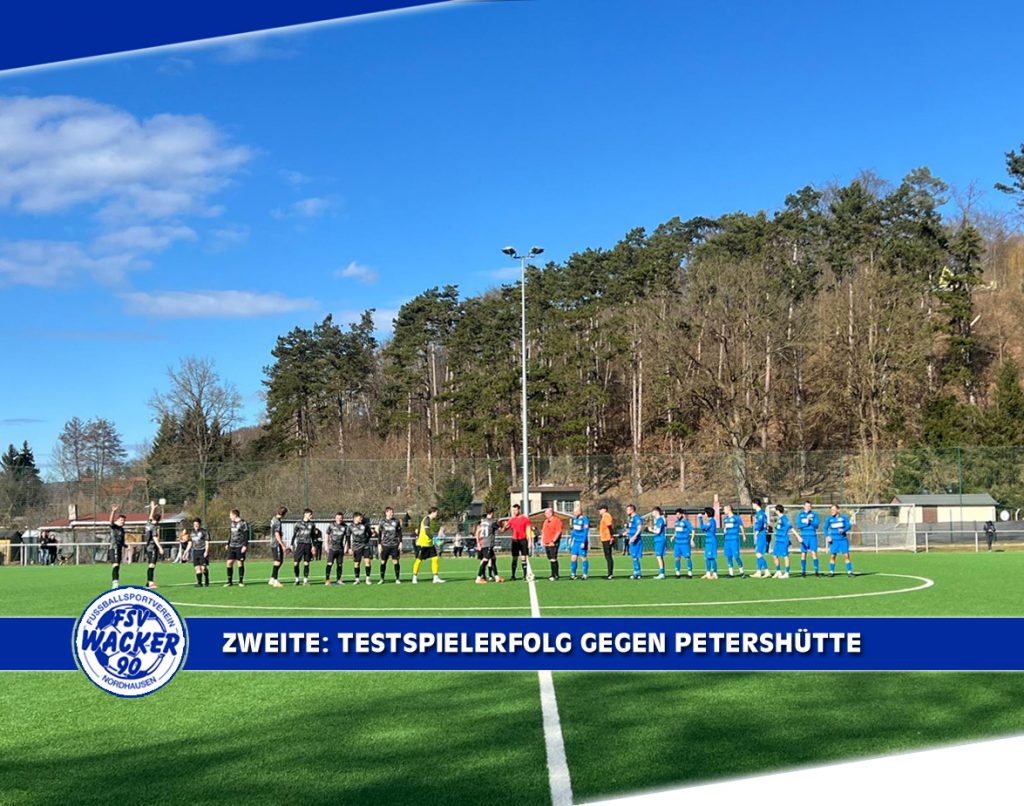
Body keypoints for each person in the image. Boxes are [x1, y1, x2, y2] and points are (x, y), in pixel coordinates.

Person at [412, 507, 446, 584]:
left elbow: (420, 529)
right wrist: (434, 539)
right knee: (419, 560)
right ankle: (414, 577)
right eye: (436, 512)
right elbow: (427, 531)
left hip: (429, 543)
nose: (437, 514)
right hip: (423, 544)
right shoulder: (426, 519)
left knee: (435, 558)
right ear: (433, 512)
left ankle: (435, 578)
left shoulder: (428, 520)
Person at [502, 503, 532, 581]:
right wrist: (504, 525)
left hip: (523, 540)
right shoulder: (511, 519)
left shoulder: (525, 519)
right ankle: (513, 575)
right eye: (513, 510)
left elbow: (528, 530)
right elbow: (503, 530)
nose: (514, 512)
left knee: (523, 557)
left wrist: (530, 541)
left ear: (519, 510)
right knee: (514, 558)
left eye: (516, 510)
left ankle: (525, 575)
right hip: (515, 540)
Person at [825, 504, 854, 577]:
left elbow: (848, 526)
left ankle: (849, 572)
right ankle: (831, 572)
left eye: (834, 510)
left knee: (846, 555)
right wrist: (827, 536)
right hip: (834, 541)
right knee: (833, 556)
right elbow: (825, 528)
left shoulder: (844, 517)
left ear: (838, 510)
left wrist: (844, 530)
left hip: (843, 540)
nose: (832, 511)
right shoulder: (829, 519)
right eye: (831, 510)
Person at [377, 507, 403, 584]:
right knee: (383, 562)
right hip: (385, 545)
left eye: (392, 512)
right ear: (386, 513)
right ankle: (382, 579)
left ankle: (397, 579)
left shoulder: (396, 521)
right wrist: (379, 544)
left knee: (396, 561)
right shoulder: (382, 522)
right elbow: (379, 534)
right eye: (390, 512)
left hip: (394, 545)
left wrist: (401, 542)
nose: (392, 513)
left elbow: (399, 533)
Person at [475, 508, 501, 584]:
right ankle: (478, 578)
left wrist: (478, 543)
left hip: (484, 542)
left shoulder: (483, 521)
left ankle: (496, 577)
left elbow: (478, 531)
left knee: (493, 559)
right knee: (485, 560)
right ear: (492, 513)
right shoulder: (492, 522)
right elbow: (501, 530)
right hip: (488, 543)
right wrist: (505, 525)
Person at [224, 509, 250, 587]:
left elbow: (246, 535)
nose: (230, 517)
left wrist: (245, 545)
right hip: (232, 546)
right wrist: (228, 543)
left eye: (230, 515)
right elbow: (231, 534)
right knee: (229, 562)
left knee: (240, 562)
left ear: (235, 515)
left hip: (240, 546)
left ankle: (241, 581)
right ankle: (229, 581)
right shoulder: (232, 523)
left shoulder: (243, 523)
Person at [292, 509, 316, 586]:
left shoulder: (312, 524)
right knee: (296, 563)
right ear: (305, 514)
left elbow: (313, 536)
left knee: (306, 563)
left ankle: (305, 580)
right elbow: (294, 534)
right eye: (310, 514)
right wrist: (292, 544)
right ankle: (297, 579)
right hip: (300, 544)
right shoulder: (298, 523)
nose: (311, 516)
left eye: (311, 515)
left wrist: (313, 546)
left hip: (308, 545)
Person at [797, 500, 821, 577]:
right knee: (803, 554)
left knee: (814, 553)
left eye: (809, 506)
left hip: (812, 536)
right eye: (807, 506)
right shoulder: (800, 514)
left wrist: (811, 522)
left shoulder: (814, 514)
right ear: (804, 506)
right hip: (804, 537)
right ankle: (803, 571)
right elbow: (799, 525)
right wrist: (806, 523)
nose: (808, 507)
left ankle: (816, 571)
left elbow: (816, 526)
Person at [325, 512, 349, 586]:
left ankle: (338, 580)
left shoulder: (345, 527)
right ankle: (327, 580)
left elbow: (347, 538)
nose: (339, 519)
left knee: (339, 564)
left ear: (342, 518)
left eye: (341, 518)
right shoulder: (331, 525)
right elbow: (327, 535)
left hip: (340, 549)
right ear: (335, 518)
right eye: (338, 518)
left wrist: (346, 547)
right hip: (332, 548)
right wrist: (326, 545)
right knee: (329, 563)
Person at [143, 501, 164, 589]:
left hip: (147, 547)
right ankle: (151, 582)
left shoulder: (148, 524)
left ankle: (148, 582)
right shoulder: (154, 527)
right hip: (153, 547)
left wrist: (152, 509)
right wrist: (160, 547)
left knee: (150, 564)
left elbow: (150, 517)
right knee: (152, 565)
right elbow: (155, 538)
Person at [721, 504, 745, 577]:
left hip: (734, 539)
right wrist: (724, 532)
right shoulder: (725, 519)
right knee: (729, 556)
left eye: (724, 509)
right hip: (727, 540)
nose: (723, 511)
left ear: (729, 509)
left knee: (736, 556)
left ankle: (742, 571)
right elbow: (725, 528)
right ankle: (731, 573)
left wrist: (744, 536)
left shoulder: (736, 518)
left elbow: (741, 527)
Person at [541, 508, 563, 581]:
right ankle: (553, 574)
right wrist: (543, 540)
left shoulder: (557, 520)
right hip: (547, 542)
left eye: (546, 513)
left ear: (551, 513)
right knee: (550, 558)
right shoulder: (545, 521)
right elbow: (543, 531)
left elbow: (558, 531)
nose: (545, 515)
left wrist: (553, 541)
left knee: (553, 558)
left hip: (553, 543)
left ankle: (555, 574)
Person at [187, 517, 210, 587]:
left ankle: (206, 578)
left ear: (200, 524)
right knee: (197, 568)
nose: (195, 526)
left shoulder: (204, 532)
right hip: (195, 551)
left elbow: (207, 542)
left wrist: (206, 551)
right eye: (194, 524)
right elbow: (190, 543)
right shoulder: (192, 533)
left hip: (202, 551)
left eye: (197, 524)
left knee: (203, 568)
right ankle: (199, 583)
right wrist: (185, 552)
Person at [771, 504, 793, 579]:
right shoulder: (779, 519)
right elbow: (777, 527)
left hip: (783, 540)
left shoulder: (784, 518)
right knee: (775, 555)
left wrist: (798, 537)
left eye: (775, 510)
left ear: (777, 510)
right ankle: (778, 571)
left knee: (785, 556)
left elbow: (790, 527)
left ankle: (787, 573)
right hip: (778, 540)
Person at [569, 503, 590, 580]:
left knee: (583, 557)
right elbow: (574, 530)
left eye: (575, 511)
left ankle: (585, 574)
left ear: (579, 511)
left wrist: (583, 542)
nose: (574, 513)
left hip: (582, 541)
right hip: (575, 542)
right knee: (573, 557)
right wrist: (571, 538)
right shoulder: (575, 519)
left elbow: (585, 532)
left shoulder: (585, 519)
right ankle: (573, 574)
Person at [671, 509, 694, 578]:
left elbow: (693, 531)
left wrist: (692, 540)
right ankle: (677, 573)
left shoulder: (686, 522)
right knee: (677, 557)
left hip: (685, 543)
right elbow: (676, 531)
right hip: (677, 543)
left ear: (682, 514)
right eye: (676, 514)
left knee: (687, 557)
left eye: (678, 514)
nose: (677, 516)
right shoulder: (676, 522)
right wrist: (673, 536)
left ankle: (689, 573)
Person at [108, 505, 127, 589]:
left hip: (119, 549)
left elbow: (121, 540)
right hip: (114, 548)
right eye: (121, 520)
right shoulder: (114, 526)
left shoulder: (122, 529)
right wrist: (113, 511)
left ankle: (116, 582)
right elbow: (110, 521)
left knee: (118, 566)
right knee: (115, 565)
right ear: (118, 520)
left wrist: (125, 545)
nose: (123, 522)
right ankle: (115, 583)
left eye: (124, 520)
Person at [269, 507, 288, 587]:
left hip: (273, 543)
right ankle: (275, 580)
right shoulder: (277, 522)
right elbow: (277, 534)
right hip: (276, 543)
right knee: (278, 561)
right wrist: (282, 545)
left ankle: (272, 578)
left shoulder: (273, 519)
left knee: (280, 561)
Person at [750, 498, 770, 578]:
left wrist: (757, 531)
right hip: (760, 535)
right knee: (758, 554)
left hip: (761, 535)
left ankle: (767, 571)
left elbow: (760, 523)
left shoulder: (760, 514)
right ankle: (758, 572)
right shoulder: (760, 513)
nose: (752, 506)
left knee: (758, 553)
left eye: (752, 504)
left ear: (755, 504)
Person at [698, 507, 718, 579]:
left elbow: (702, 527)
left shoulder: (711, 521)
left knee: (712, 557)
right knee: (707, 557)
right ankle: (708, 573)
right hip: (708, 541)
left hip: (711, 541)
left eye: (705, 513)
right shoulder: (710, 521)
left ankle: (714, 573)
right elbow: (704, 529)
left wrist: (700, 518)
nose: (704, 514)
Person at [648, 507, 668, 579]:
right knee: (659, 556)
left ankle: (662, 573)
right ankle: (662, 573)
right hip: (658, 540)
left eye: (653, 512)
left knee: (659, 556)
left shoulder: (660, 520)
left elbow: (658, 531)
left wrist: (651, 530)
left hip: (660, 540)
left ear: (656, 512)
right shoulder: (658, 521)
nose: (652, 513)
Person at [626, 504, 644, 580]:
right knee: (634, 557)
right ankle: (636, 572)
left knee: (635, 556)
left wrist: (635, 536)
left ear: (632, 510)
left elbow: (639, 528)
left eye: (628, 510)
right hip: (631, 539)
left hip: (636, 540)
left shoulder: (637, 518)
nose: (626, 511)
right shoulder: (631, 519)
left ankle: (637, 573)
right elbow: (631, 529)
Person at [598, 504, 615, 579]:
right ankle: (609, 573)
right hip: (605, 538)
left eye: (600, 509)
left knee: (608, 556)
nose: (599, 511)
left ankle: (610, 574)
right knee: (607, 556)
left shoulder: (606, 516)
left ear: (604, 509)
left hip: (607, 538)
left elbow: (609, 526)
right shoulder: (604, 516)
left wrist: (611, 537)